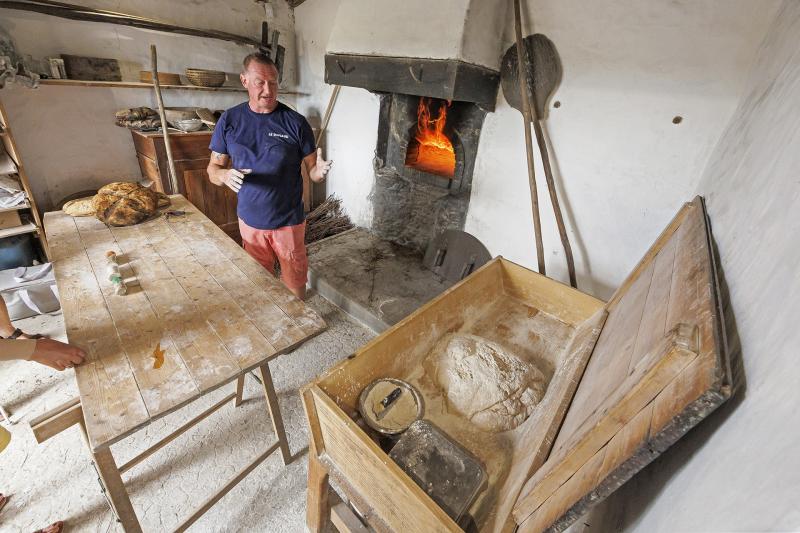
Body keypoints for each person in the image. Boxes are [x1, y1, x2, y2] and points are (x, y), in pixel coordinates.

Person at [207, 52, 332, 300]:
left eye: (273, 82)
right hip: (250, 220)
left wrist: (319, 171)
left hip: (288, 220)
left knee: (294, 279)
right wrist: (223, 175)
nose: (268, 89)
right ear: (244, 81)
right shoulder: (229, 120)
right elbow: (212, 169)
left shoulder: (295, 122)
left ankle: (297, 322)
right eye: (259, 82)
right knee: (258, 279)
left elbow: (313, 173)